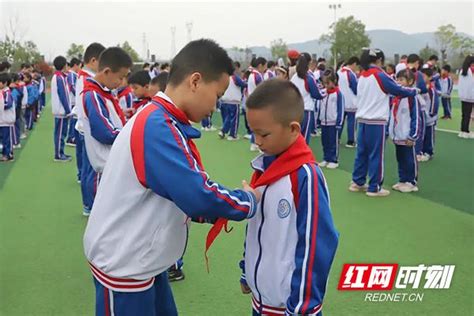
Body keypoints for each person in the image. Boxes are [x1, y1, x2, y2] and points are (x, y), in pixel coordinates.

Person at [83, 39, 260, 316]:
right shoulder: (157, 125)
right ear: (195, 81)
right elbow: (197, 194)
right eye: (218, 93)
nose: (216, 105)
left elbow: (179, 191)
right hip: (125, 265)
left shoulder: (163, 118)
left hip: (146, 260)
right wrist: (249, 201)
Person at [240, 79, 339, 316]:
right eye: (253, 133)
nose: (258, 141)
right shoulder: (263, 169)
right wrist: (246, 270)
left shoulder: (306, 177)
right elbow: (255, 228)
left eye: (263, 134)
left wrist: (302, 307)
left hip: (290, 308)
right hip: (261, 302)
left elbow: (316, 244)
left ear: (294, 129)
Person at [350, 48, 418, 197]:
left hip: (362, 120)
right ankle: (374, 187)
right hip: (376, 121)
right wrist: (414, 91)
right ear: (379, 60)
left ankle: (358, 181)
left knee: (361, 153)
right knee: (376, 154)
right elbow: (397, 89)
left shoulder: (362, 76)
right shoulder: (380, 75)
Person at [81, 47, 132, 215]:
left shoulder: (102, 93)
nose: (122, 81)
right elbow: (104, 132)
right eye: (121, 77)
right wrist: (132, 133)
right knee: (106, 215)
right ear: (107, 71)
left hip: (110, 163)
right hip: (105, 164)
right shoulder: (93, 95)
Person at [74, 42, 106, 214]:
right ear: (94, 60)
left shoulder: (82, 77)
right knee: (93, 170)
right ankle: (92, 206)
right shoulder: (87, 79)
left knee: (88, 169)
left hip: (82, 127)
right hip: (87, 128)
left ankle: (88, 204)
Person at [388, 69, 421, 193]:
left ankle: (411, 181)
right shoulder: (395, 97)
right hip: (397, 135)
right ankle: (402, 179)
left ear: (410, 81)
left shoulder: (412, 98)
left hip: (407, 136)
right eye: (397, 79)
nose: (398, 82)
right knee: (400, 158)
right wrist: (391, 132)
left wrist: (413, 135)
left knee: (409, 159)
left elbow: (416, 118)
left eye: (402, 79)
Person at [290, 53, 325, 144]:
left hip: (294, 110)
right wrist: (325, 91)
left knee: (294, 137)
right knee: (304, 138)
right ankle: (302, 158)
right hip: (306, 110)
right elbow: (316, 94)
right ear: (309, 63)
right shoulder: (308, 77)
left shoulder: (294, 77)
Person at [318, 68, 344, 169]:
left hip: (333, 122)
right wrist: (319, 120)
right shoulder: (323, 92)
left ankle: (334, 159)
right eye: (324, 83)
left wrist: (339, 122)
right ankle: (326, 158)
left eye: (328, 83)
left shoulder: (338, 94)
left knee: (333, 141)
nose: (326, 85)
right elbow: (319, 105)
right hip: (324, 121)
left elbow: (340, 109)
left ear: (334, 82)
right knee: (325, 141)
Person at [51, 56, 72, 162]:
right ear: (64, 65)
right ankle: (58, 154)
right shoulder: (60, 78)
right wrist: (68, 110)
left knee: (61, 133)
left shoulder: (59, 76)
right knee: (60, 133)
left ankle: (60, 152)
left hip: (60, 110)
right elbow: (63, 95)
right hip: (61, 110)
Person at [219, 61, 246, 141]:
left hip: (225, 100)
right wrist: (246, 82)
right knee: (234, 119)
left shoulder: (225, 77)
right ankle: (232, 135)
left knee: (228, 118)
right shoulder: (234, 77)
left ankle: (223, 131)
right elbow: (242, 84)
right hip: (233, 101)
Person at [337, 56, 359, 147]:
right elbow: (355, 88)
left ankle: (337, 138)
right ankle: (351, 141)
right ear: (354, 64)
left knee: (340, 121)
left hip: (341, 100)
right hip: (351, 101)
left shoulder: (339, 72)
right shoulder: (350, 74)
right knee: (351, 122)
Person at [457, 55, 474, 139]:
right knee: (468, 114)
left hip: (463, 95)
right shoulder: (471, 70)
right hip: (470, 96)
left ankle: (462, 130)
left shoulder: (462, 71)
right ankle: (466, 131)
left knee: (464, 114)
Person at [66, 57, 81, 146]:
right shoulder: (72, 74)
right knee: (73, 119)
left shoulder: (73, 74)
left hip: (73, 100)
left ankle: (71, 137)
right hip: (72, 100)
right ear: (75, 65)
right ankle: (71, 137)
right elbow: (72, 86)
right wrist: (78, 95)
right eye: (79, 65)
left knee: (74, 119)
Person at [0, 73, 15, 162]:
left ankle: (9, 154)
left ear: (5, 83)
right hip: (2, 120)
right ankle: (4, 154)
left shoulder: (7, 93)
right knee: (2, 138)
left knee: (7, 138)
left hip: (7, 120)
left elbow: (8, 104)